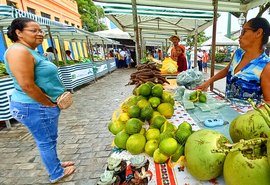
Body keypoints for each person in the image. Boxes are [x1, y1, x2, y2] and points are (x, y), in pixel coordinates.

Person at [4, 17, 75, 183]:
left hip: (37, 105)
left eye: (40, 30)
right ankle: (56, 173)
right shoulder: (18, 51)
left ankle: (55, 164)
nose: (40, 34)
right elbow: (27, 85)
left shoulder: (29, 50)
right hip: (34, 106)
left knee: (49, 139)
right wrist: (48, 104)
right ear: (19, 33)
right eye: (33, 30)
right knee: (46, 141)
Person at [197, 17, 270, 105]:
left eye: (244, 32)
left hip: (248, 117)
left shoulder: (265, 65)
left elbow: (268, 100)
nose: (240, 36)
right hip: (227, 110)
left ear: (258, 33)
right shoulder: (238, 53)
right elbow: (227, 70)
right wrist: (208, 82)